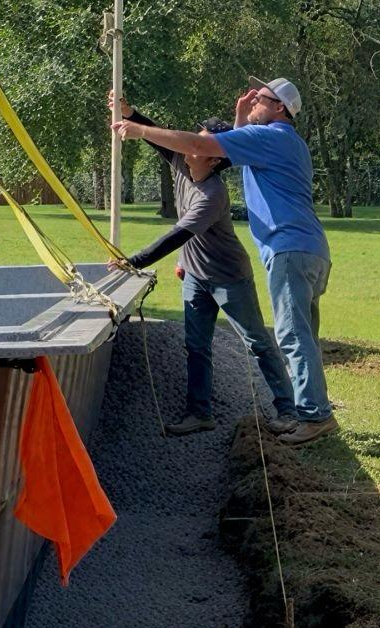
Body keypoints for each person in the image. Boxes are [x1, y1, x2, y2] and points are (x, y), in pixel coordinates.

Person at [112, 77, 337, 446]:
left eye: (259, 99)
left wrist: (136, 128)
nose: (252, 101)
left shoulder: (271, 138)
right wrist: (239, 119)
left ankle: (312, 416)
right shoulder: (279, 143)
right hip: (307, 248)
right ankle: (309, 411)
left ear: (279, 107)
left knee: (289, 337)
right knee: (303, 337)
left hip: (288, 250)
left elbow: (203, 145)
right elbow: (224, 150)